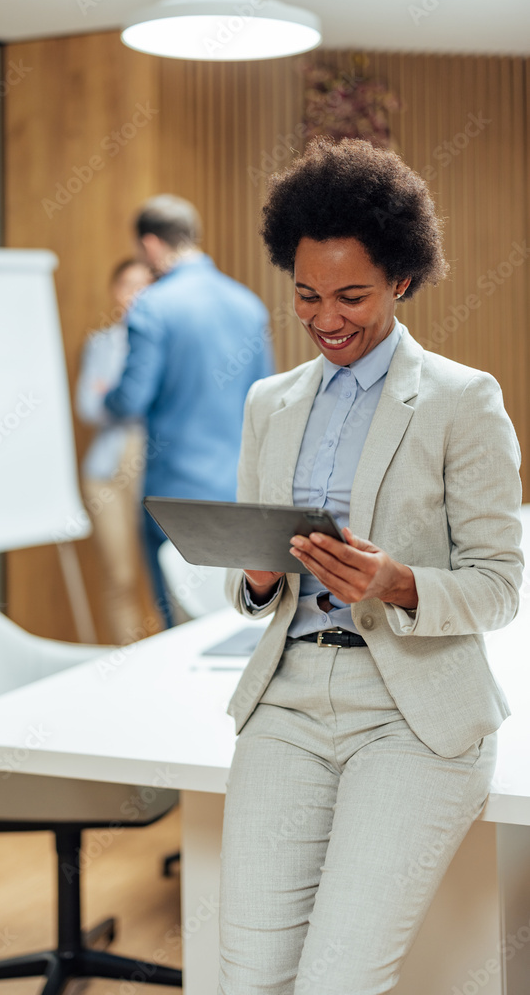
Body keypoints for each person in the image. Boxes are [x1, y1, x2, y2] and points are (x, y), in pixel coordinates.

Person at [218, 137, 523, 995]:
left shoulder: (463, 400)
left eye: (351, 295)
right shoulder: (268, 403)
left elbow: (500, 584)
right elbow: (248, 581)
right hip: (284, 702)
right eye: (307, 295)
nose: (326, 318)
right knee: (247, 978)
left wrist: (395, 583)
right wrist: (260, 578)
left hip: (411, 715)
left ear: (401, 279)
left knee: (337, 980)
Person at [104, 195, 274, 626]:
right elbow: (267, 400)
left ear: (151, 246)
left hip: (174, 496)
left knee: (178, 627)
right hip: (237, 490)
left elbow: (130, 399)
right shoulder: (248, 304)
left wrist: (107, 395)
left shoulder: (153, 304)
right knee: (231, 619)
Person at [76, 258, 153, 643]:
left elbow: (145, 403)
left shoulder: (162, 341)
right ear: (115, 291)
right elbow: (88, 406)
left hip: (153, 465)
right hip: (105, 470)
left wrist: (115, 395)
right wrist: (124, 401)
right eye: (128, 285)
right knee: (119, 576)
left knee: (164, 571)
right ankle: (126, 660)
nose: (136, 294)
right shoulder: (100, 343)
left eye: (145, 285)